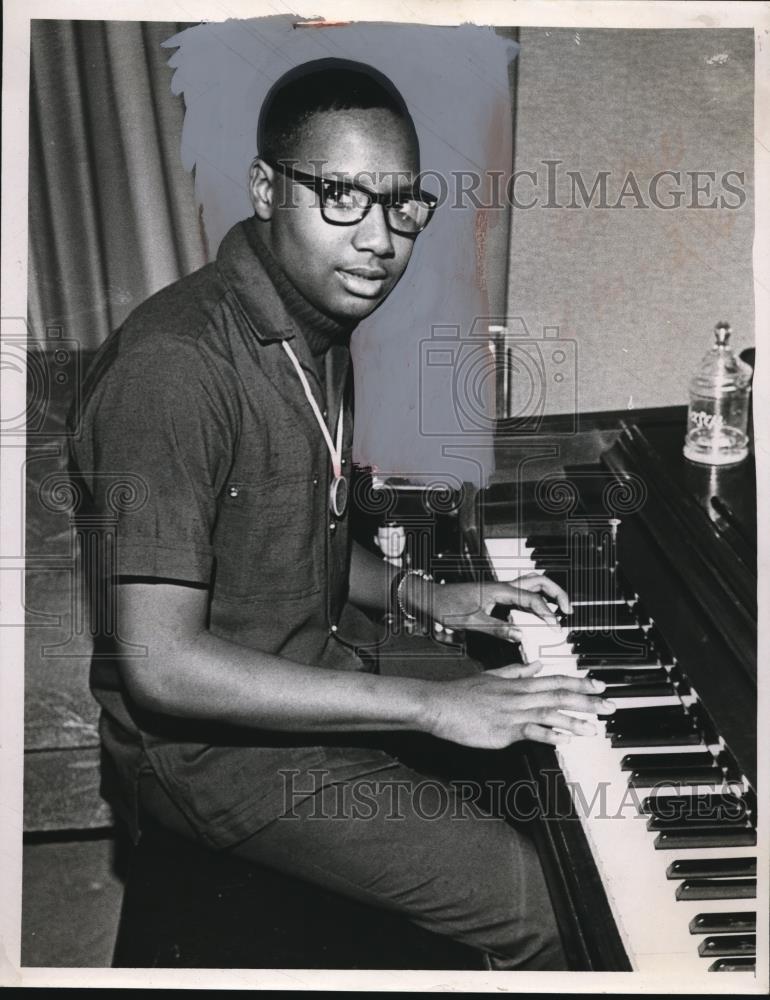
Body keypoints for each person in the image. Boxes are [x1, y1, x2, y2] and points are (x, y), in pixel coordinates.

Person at [69, 59, 612, 970]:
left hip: (308, 666)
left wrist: (423, 596)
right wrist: (434, 711)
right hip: (209, 756)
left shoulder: (310, 326)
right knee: (548, 909)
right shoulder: (176, 368)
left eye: (401, 204)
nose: (378, 240)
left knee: (560, 762)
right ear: (264, 187)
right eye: (341, 198)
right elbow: (161, 666)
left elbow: (291, 537)